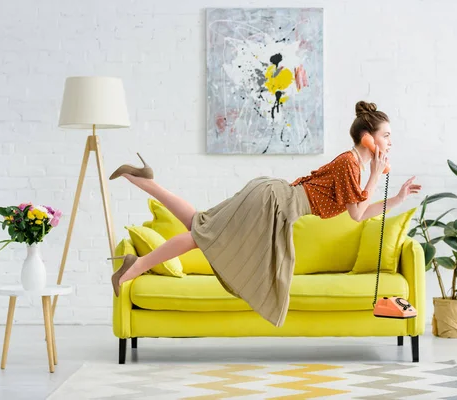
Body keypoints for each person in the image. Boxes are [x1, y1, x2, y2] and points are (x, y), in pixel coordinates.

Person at [108, 101, 422, 328]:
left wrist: (396, 197)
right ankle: (133, 269)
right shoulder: (350, 164)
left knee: (198, 226)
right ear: (368, 137)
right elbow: (356, 214)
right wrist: (376, 176)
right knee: (200, 235)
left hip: (276, 202)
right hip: (274, 203)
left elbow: (360, 212)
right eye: (386, 136)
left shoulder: (354, 165)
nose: (390, 143)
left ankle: (144, 180)